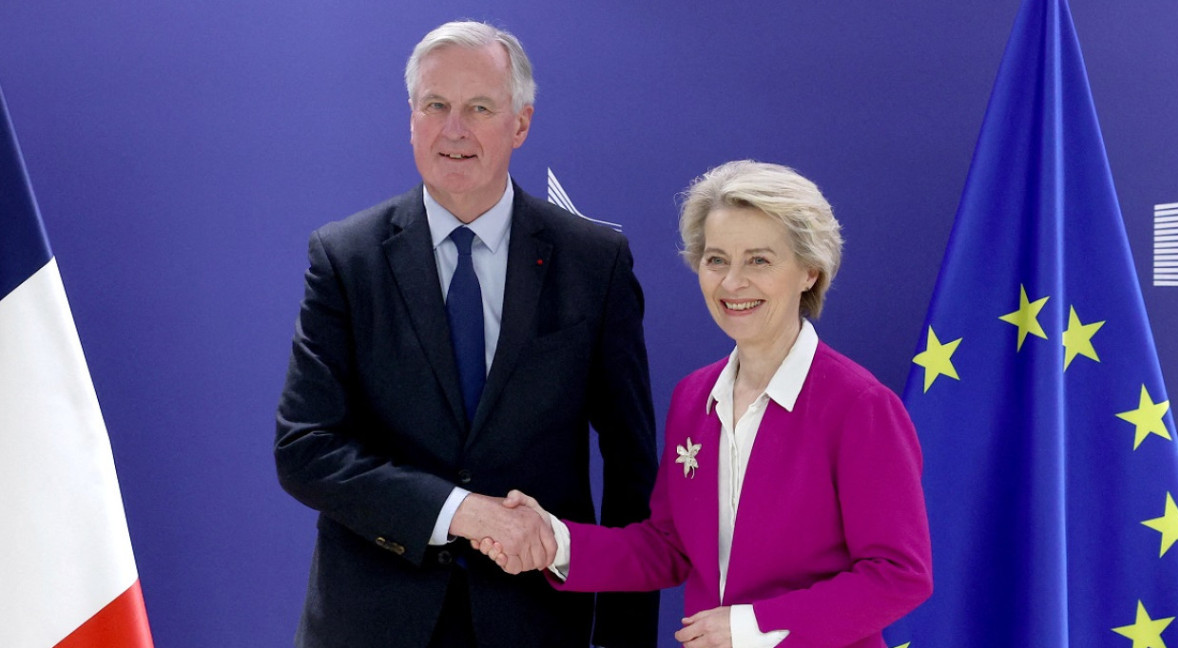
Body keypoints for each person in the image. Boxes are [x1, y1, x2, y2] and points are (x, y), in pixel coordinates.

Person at [274, 20, 659, 648]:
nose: (454, 129)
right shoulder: (346, 258)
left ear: (521, 123)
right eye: (436, 106)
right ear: (411, 118)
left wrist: (624, 642)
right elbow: (306, 449)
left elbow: (632, 474)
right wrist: (460, 511)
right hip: (370, 625)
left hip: (536, 622)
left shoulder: (594, 263)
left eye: (479, 107)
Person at [480, 160, 933, 648]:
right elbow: (669, 546)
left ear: (809, 271)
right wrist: (554, 540)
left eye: (758, 260)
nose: (732, 283)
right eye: (716, 260)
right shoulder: (694, 397)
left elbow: (899, 575)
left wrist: (749, 627)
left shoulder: (861, 406)